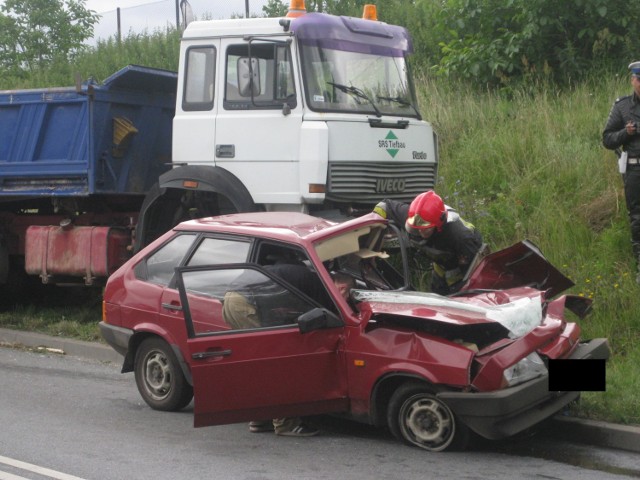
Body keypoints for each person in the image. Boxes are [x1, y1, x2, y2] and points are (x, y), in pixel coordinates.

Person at [222, 263, 354, 437]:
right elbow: (328, 316)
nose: (347, 299)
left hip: (232, 299)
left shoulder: (311, 277)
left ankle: (261, 419)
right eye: (349, 295)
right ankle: (285, 424)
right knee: (278, 364)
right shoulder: (320, 287)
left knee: (262, 364)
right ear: (342, 288)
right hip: (245, 304)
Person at [373, 190, 483, 295]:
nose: (420, 232)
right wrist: (372, 225)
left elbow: (475, 277)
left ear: (438, 223)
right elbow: (384, 205)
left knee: (457, 295)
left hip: (462, 262)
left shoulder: (461, 237)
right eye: (417, 228)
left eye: (426, 228)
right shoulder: (415, 217)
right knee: (437, 293)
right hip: (441, 262)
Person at [602, 61, 640, 284]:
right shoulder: (623, 106)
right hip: (635, 169)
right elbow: (607, 139)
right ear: (633, 80)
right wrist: (625, 134)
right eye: (639, 79)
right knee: (637, 218)